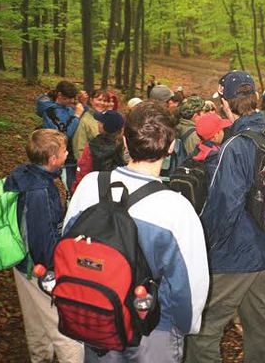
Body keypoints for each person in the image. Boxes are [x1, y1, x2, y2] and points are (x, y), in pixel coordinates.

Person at [64, 101, 209, 362]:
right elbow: (189, 290)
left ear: (125, 143)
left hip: (98, 318)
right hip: (154, 329)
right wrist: (184, 327)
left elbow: (67, 247)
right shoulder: (177, 209)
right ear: (172, 145)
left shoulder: (89, 186)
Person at [185, 71, 265, 363]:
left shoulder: (234, 147)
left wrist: (204, 248)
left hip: (235, 255)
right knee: (264, 326)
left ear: (225, 102)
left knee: (202, 332)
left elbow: (224, 208)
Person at [4, 129, 84, 363]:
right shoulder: (40, 190)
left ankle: (40, 358)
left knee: (36, 323)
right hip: (38, 268)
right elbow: (42, 240)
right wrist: (57, 268)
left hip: (20, 262)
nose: (67, 152)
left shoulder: (22, 174)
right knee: (63, 328)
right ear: (52, 160)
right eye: (63, 151)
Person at [36, 81, 84, 191]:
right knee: (71, 188)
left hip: (70, 157)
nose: (72, 101)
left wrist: (82, 104)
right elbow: (62, 135)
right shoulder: (51, 111)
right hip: (62, 158)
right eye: (69, 98)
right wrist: (76, 116)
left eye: (73, 98)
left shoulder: (65, 107)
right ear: (60, 96)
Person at [71, 110, 126, 193]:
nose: (98, 124)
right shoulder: (124, 145)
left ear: (104, 126)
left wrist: (76, 190)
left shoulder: (91, 146)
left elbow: (83, 171)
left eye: (100, 122)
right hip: (116, 191)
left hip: (93, 191)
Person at [72, 89, 110, 163]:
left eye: (105, 101)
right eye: (99, 100)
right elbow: (79, 148)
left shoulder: (109, 119)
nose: (102, 103)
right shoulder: (85, 120)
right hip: (92, 166)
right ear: (91, 100)